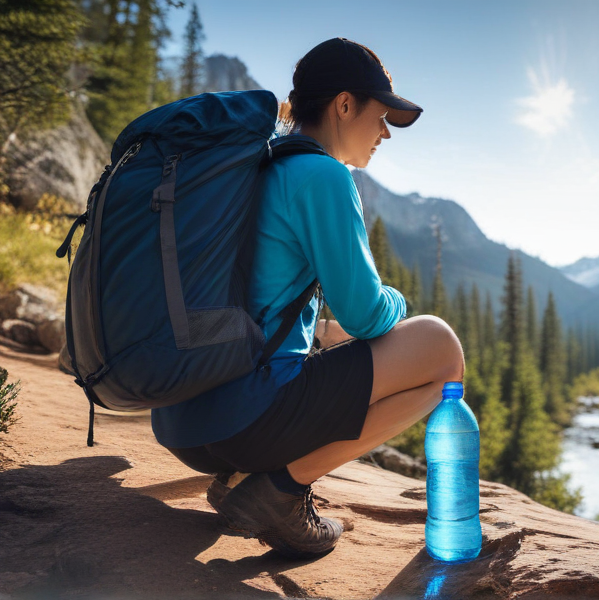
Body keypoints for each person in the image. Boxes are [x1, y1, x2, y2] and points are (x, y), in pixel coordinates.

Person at [151, 38, 464, 559]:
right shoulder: (323, 175)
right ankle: (280, 491)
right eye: (381, 115)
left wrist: (323, 330)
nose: (385, 132)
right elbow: (368, 315)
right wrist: (400, 305)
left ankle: (242, 479)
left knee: (331, 340)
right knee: (441, 351)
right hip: (245, 423)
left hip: (183, 423)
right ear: (344, 105)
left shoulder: (257, 164)